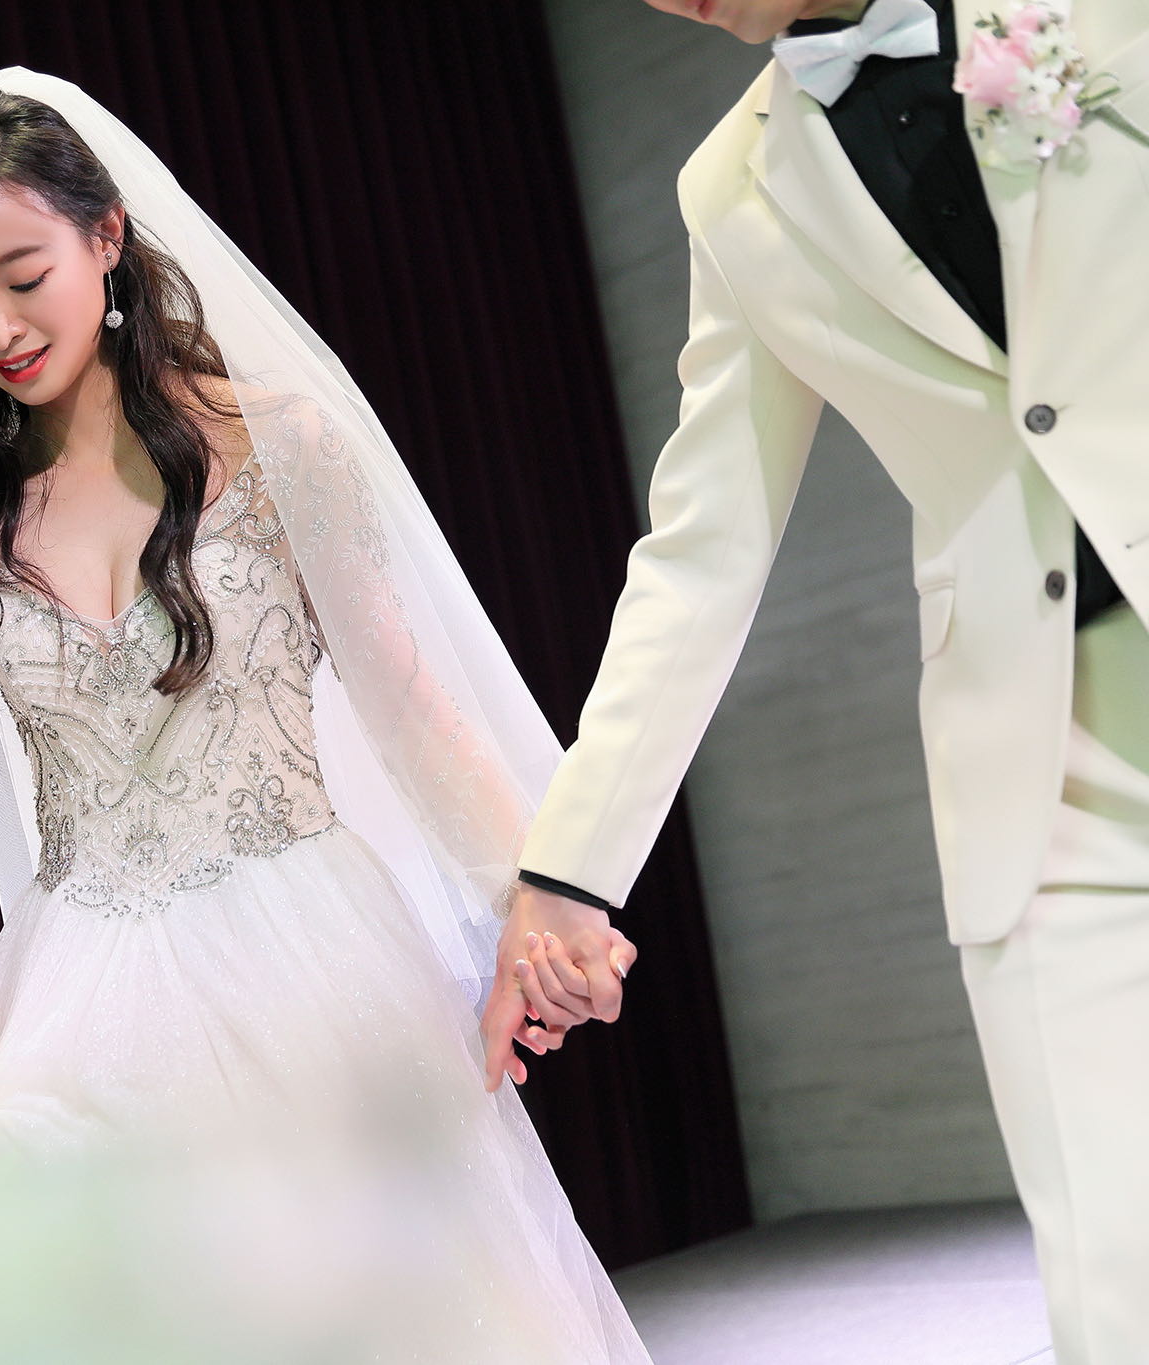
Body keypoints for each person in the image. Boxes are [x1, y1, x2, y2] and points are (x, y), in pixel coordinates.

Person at [0, 70, 648, 1362]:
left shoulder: (279, 448)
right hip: (83, 1002)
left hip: (313, 969)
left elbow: (412, 714)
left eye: (22, 275)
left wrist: (544, 905)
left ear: (106, 237)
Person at [492, 2, 1149, 1359]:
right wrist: (567, 874)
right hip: (1043, 758)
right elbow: (701, 549)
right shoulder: (730, 193)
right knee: (1116, 1264)